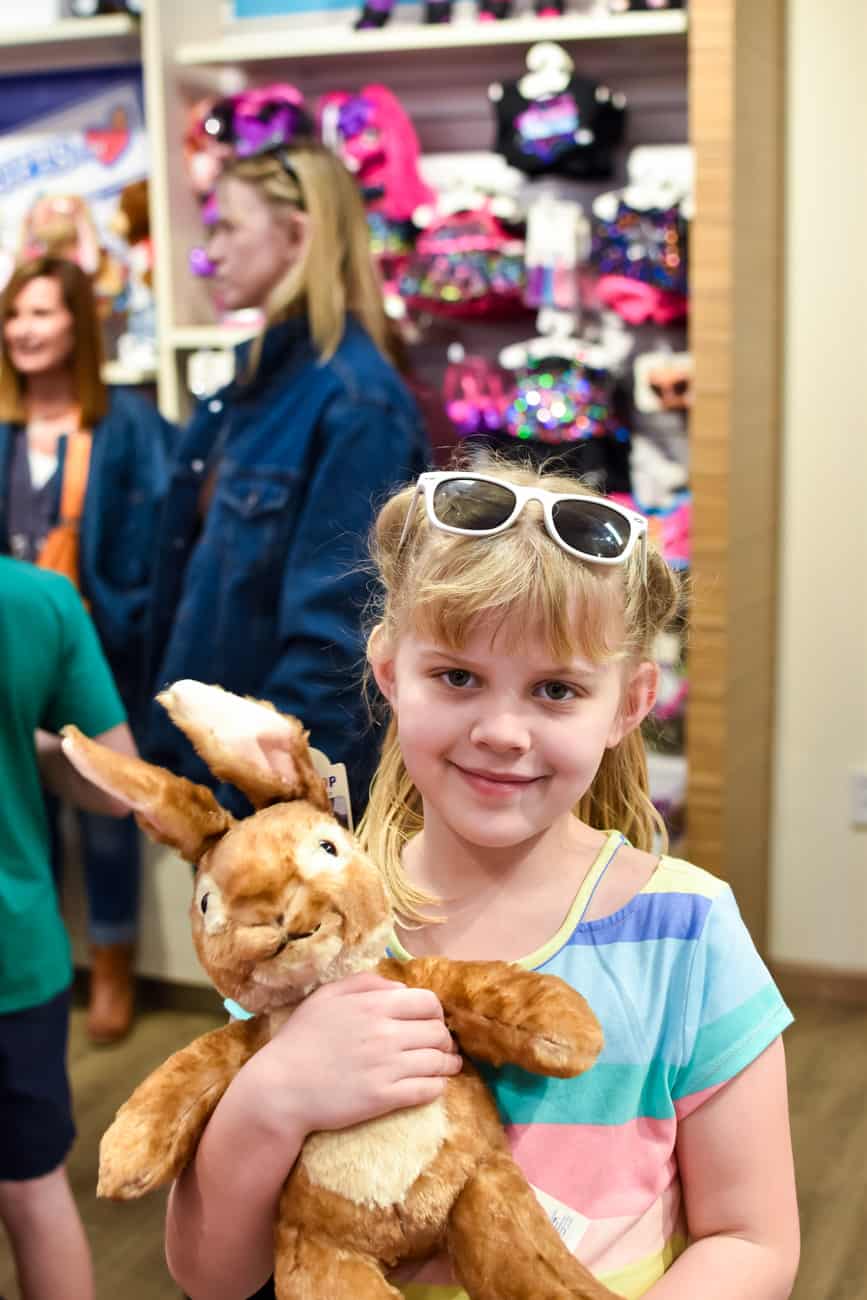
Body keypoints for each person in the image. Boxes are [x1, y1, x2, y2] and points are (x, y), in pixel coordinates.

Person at [163, 460, 799, 1300]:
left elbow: (751, 1239)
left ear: (629, 703)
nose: (502, 731)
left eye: (555, 690)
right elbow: (211, 1275)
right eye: (457, 676)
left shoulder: (687, 931)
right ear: (389, 670)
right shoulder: (314, 926)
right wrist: (273, 1096)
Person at [144, 140, 429, 819]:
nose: (208, 250)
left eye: (227, 226)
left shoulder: (356, 404)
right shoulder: (253, 388)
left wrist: (265, 806)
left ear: (296, 235)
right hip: (210, 772)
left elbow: (337, 643)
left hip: (268, 799)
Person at [0, 255, 175, 1042]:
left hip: (102, 644)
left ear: (78, 322)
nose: (24, 331)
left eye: (41, 313)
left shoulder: (128, 424)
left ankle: (111, 965)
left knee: (110, 809)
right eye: (14, 315)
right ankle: (43, 965)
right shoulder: (2, 425)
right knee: (21, 804)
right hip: (14, 645)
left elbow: (162, 541)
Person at [0, 557, 138, 1300]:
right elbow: (118, 787)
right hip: (13, 952)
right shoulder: (35, 598)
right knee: (32, 1187)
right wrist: (31, 743)